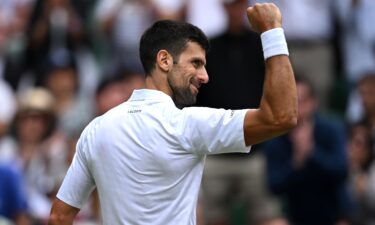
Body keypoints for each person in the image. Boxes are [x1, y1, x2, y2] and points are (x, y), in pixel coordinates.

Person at [48, 3, 297, 225]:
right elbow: (281, 116)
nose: (205, 76)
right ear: (164, 60)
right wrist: (271, 31)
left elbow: (60, 217)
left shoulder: (95, 130)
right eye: (196, 63)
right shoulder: (187, 125)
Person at [263, 76, 349, 225]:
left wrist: (312, 152)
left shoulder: (331, 129)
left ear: (313, 102)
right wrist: (297, 162)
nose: (297, 108)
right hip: (295, 217)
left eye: (302, 101)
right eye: (291, 101)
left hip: (334, 215)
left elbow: (341, 172)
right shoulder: (276, 137)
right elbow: (274, 186)